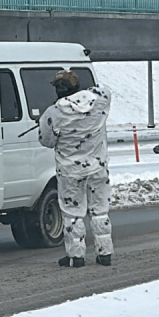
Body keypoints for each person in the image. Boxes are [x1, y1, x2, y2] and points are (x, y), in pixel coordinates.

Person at [38, 69, 114, 268]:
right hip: (98, 168)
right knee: (99, 211)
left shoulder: (53, 113)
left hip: (70, 172)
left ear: (58, 90)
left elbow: (46, 141)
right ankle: (104, 253)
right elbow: (104, 90)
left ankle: (76, 257)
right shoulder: (100, 102)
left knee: (72, 214)